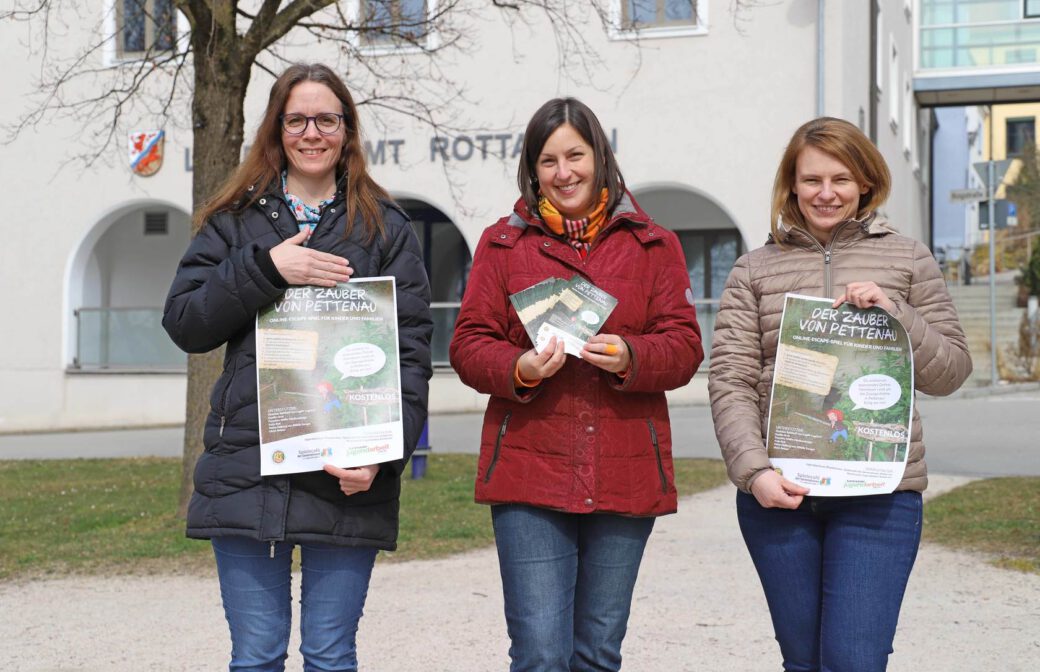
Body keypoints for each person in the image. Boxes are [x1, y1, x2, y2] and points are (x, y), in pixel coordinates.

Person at [162, 63, 432, 671]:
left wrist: (385, 454)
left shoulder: (386, 228)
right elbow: (185, 323)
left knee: (331, 657)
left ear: (347, 129)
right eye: (297, 119)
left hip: (345, 476)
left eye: (327, 119)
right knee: (255, 657)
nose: (313, 133)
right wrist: (265, 270)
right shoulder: (235, 220)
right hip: (247, 471)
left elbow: (411, 355)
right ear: (277, 130)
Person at [448, 97, 703, 672]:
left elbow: (686, 347)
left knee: (597, 653)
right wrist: (519, 368)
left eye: (575, 155)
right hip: (529, 471)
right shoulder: (502, 244)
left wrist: (630, 356)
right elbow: (467, 344)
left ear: (600, 157)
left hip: (625, 468)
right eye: (547, 161)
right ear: (531, 169)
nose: (563, 173)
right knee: (540, 654)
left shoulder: (654, 244)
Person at [709, 116, 971, 672]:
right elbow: (729, 378)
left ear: (866, 184)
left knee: (854, 659)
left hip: (880, 493)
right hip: (780, 493)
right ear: (792, 185)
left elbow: (950, 371)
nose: (826, 193)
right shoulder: (754, 269)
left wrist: (895, 313)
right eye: (811, 180)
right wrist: (754, 472)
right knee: (803, 661)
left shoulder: (908, 258)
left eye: (841, 179)